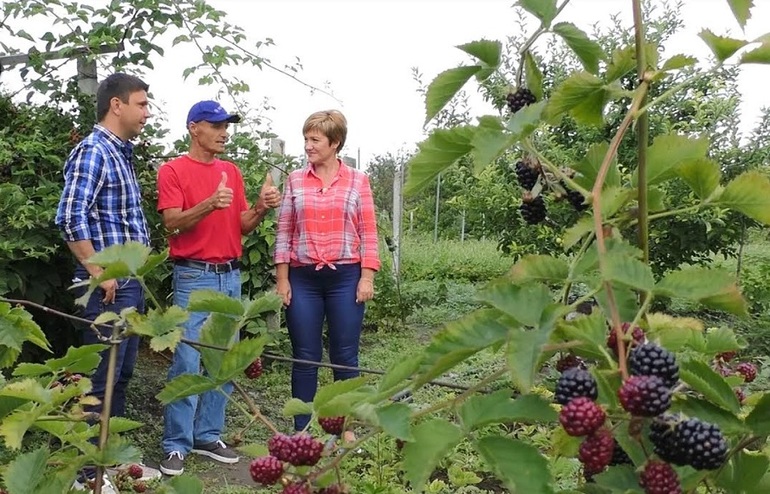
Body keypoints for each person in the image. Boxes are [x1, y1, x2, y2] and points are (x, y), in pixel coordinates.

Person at [157, 100, 281, 476]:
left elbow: (241, 225)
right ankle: (176, 444)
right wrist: (209, 204)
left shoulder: (231, 170)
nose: (224, 131)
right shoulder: (173, 170)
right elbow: (171, 223)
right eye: (216, 125)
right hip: (194, 277)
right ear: (195, 127)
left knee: (223, 359)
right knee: (188, 360)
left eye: (227, 124)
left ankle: (208, 435)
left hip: (230, 275)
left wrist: (259, 207)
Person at [55, 72, 157, 491]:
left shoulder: (121, 152)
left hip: (129, 284)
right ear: (117, 105)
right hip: (109, 285)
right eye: (141, 104)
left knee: (122, 373)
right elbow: (69, 216)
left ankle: (107, 462)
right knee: (99, 377)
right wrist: (97, 271)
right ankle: (85, 475)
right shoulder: (94, 151)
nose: (147, 113)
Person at [274, 109, 380, 435]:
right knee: (305, 355)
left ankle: (344, 426)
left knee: (344, 354)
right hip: (303, 278)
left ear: (334, 143)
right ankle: (301, 429)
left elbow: (369, 233)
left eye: (314, 139)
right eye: (306, 138)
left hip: (345, 277)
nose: (308, 145)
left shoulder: (358, 181)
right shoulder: (294, 180)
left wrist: (367, 276)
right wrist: (282, 279)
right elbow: (284, 232)